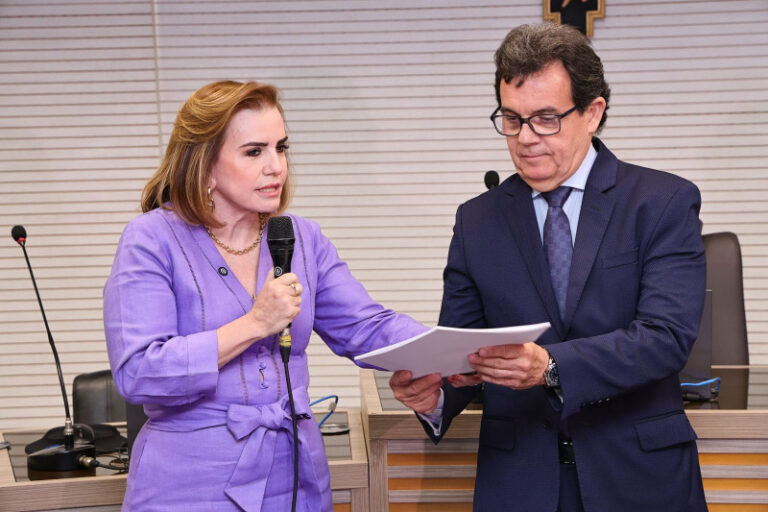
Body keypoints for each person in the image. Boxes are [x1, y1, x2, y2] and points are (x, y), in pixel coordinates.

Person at [389, 23, 708, 512]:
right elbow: (465, 348)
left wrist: (552, 366)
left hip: (638, 479)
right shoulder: (477, 220)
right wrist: (431, 395)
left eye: (545, 119)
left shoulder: (661, 202)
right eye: (512, 119)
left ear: (592, 113)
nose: (525, 138)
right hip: (518, 484)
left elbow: (665, 337)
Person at [103, 80, 427, 511]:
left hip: (295, 473)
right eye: (254, 151)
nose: (276, 166)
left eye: (281, 148)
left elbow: (366, 326)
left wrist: (450, 350)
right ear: (204, 164)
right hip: (188, 483)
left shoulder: (300, 238)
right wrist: (254, 324)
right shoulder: (151, 239)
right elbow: (140, 371)